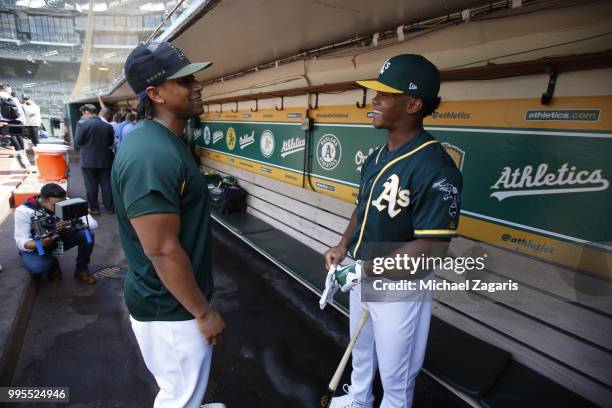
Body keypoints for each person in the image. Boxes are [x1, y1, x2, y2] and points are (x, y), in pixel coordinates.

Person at [324, 54, 463, 408]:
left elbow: (431, 251)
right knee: (362, 349)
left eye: (385, 95)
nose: (375, 101)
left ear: (413, 104)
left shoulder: (436, 167)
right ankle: (358, 399)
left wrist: (364, 269)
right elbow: (363, 206)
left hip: (400, 283)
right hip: (363, 268)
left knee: (396, 378)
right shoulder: (376, 156)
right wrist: (344, 247)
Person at [112, 41, 225, 408]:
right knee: (178, 398)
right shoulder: (152, 153)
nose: (198, 85)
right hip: (171, 312)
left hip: (170, 305)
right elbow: (160, 250)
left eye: (194, 77)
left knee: (182, 392)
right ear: (155, 93)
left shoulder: (162, 141)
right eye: (184, 80)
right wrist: (204, 313)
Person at [14, 183, 97, 284]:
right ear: (43, 201)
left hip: (58, 239)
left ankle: (81, 269)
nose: (60, 207)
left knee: (87, 235)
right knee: (39, 267)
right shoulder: (24, 211)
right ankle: (53, 264)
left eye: (62, 204)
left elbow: (92, 224)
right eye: (55, 205)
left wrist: (72, 222)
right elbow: (21, 241)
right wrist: (42, 242)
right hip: (37, 245)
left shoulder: (65, 201)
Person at [74, 103, 115, 215]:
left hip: (88, 161)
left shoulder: (82, 125)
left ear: (86, 112)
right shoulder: (108, 126)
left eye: (83, 113)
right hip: (106, 160)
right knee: (107, 184)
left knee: (91, 186)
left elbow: (77, 142)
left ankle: (94, 208)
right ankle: (110, 208)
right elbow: (111, 142)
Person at [0, 83, 33, 171]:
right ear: (7, 89)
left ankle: (22, 163)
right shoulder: (13, 98)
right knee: (19, 138)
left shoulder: (1, 96)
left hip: (6, 121)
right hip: (18, 121)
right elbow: (20, 111)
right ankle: (24, 160)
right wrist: (23, 121)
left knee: (13, 139)